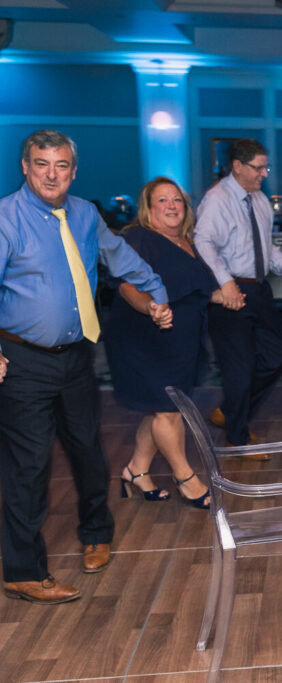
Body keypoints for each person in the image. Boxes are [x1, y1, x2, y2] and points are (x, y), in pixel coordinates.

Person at [0, 130, 173, 604]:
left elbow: (122, 260)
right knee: (28, 467)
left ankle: (96, 533)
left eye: (61, 165)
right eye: (41, 164)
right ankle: (23, 571)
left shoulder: (83, 213)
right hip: (21, 360)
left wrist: (156, 295)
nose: (51, 174)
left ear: (74, 171)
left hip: (76, 356)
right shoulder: (5, 218)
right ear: (25, 167)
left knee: (87, 452)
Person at [105, 177, 229, 509]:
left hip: (180, 339)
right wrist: (150, 308)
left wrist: (220, 295)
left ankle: (136, 471)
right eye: (162, 200)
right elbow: (127, 287)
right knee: (169, 410)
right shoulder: (139, 238)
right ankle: (186, 479)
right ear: (147, 208)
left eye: (177, 200)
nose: (172, 205)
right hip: (145, 338)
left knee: (161, 407)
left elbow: (189, 287)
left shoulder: (185, 241)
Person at [194, 138, 282, 455]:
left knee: (278, 355)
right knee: (239, 367)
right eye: (258, 168)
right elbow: (203, 243)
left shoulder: (258, 200)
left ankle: (232, 411)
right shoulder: (217, 199)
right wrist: (225, 283)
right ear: (238, 167)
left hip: (258, 289)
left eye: (265, 167)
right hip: (230, 292)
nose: (263, 174)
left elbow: (265, 246)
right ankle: (238, 437)